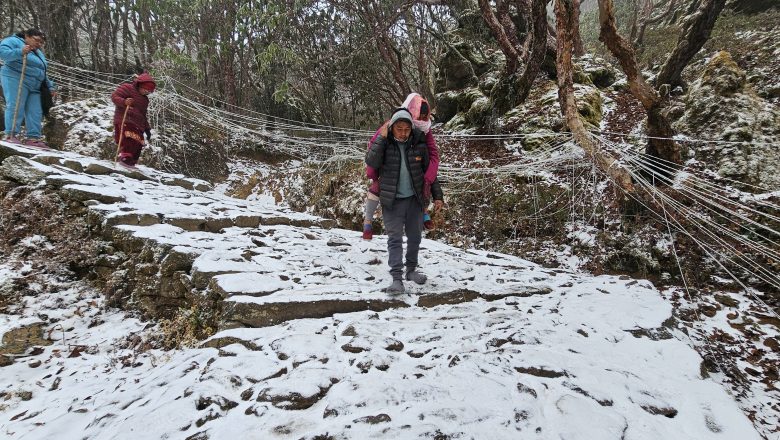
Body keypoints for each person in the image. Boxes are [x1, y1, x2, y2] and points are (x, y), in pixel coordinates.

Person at [366, 108, 444, 294]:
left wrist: (438, 196)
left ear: (411, 129)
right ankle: (396, 279)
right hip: (391, 201)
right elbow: (371, 161)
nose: (403, 133)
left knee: (415, 238)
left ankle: (411, 270)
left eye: (406, 129)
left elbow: (429, 174)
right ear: (392, 128)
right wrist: (381, 138)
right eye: (399, 128)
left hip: (415, 201)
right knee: (394, 239)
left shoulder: (419, 144)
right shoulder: (385, 144)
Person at [363, 93, 439, 240]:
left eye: (425, 116)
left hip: (413, 168)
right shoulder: (392, 125)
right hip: (389, 170)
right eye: (420, 115)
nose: (422, 120)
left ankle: (423, 212)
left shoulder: (425, 130)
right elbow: (374, 147)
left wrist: (429, 177)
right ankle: (368, 221)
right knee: (376, 188)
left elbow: (433, 153)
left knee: (419, 181)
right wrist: (373, 174)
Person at [0, 29, 56, 148]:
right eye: (37, 40)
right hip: (16, 77)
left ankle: (33, 138)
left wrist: (50, 86)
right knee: (16, 105)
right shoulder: (13, 41)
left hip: (35, 84)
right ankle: (10, 135)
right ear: (27, 36)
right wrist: (19, 51)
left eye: (41, 42)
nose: (39, 44)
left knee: (35, 111)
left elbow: (42, 70)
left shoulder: (37, 52)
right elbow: (2, 53)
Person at [110, 72, 156, 166]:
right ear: (140, 85)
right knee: (129, 139)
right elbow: (114, 97)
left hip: (138, 124)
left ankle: (131, 163)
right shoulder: (127, 88)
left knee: (139, 143)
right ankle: (124, 158)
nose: (146, 92)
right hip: (126, 119)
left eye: (149, 92)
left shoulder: (145, 100)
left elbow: (143, 115)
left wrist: (147, 129)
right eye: (145, 89)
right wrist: (124, 102)